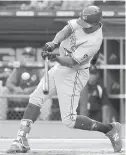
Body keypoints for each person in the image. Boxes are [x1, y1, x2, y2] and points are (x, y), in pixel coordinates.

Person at [7, 5, 122, 153]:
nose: (82, 26)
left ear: (96, 23)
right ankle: (21, 139)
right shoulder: (82, 21)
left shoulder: (94, 40)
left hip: (74, 74)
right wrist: (53, 43)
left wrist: (54, 56)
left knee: (69, 120)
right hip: (59, 69)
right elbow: (66, 30)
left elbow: (72, 62)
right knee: (35, 98)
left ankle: (109, 129)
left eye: (86, 25)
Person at [6, 47, 43, 120]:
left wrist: (30, 89)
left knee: (46, 95)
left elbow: (43, 85)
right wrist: (15, 88)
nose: (27, 58)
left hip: (34, 96)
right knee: (3, 90)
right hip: (19, 95)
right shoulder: (18, 68)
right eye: (25, 56)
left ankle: (44, 121)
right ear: (22, 57)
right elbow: (8, 83)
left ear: (34, 58)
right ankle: (1, 118)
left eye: (30, 56)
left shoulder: (38, 69)